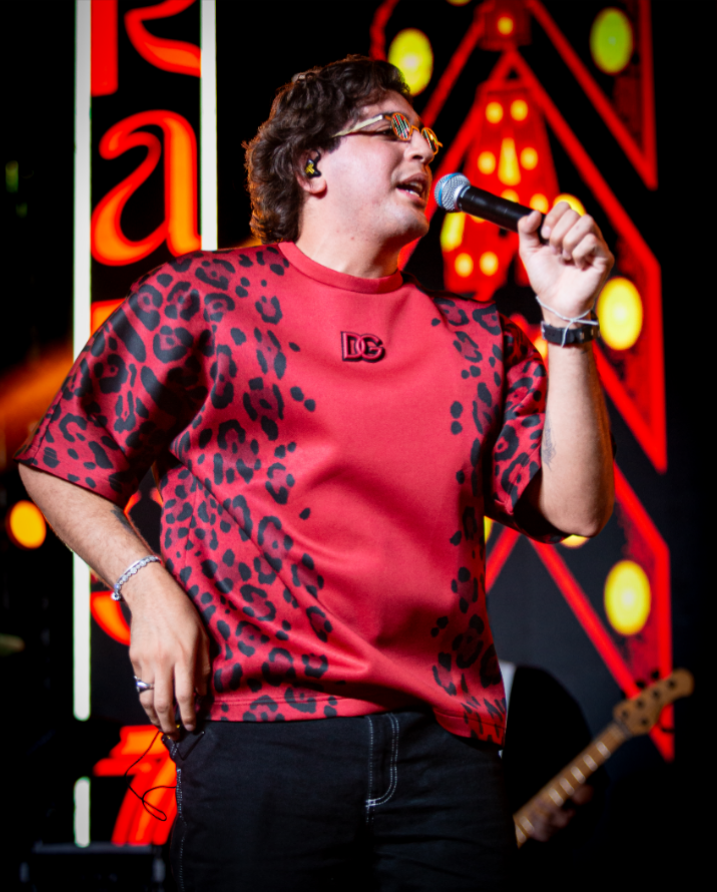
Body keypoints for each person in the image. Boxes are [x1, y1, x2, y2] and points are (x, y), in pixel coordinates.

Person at [16, 56, 614, 890]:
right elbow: (59, 462)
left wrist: (568, 318)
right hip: (259, 736)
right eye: (393, 130)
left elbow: (575, 507)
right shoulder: (204, 297)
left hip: (446, 749)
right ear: (310, 167)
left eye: (427, 137)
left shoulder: (482, 340)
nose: (424, 150)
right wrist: (144, 586)